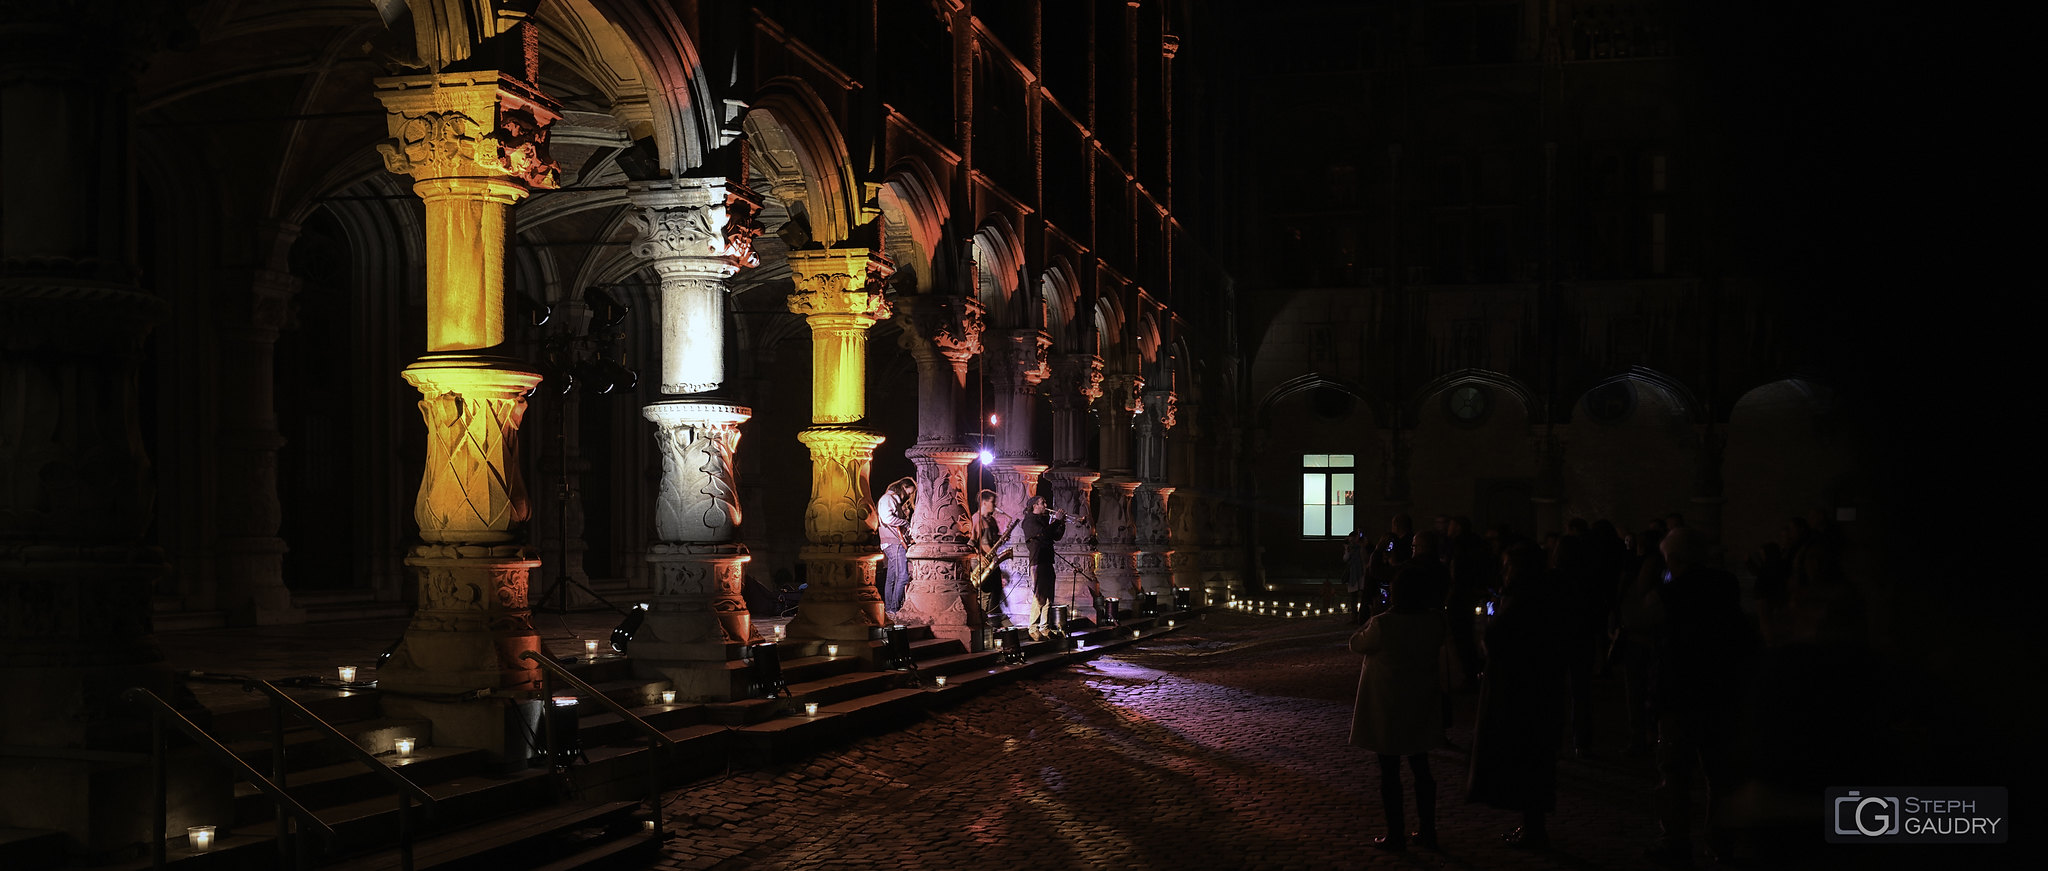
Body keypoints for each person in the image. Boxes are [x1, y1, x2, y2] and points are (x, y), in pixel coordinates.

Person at [1642, 528, 1752, 867]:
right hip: (1720, 690)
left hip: (1680, 692)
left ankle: (1675, 841)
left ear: (1674, 558)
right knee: (1719, 773)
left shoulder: (1670, 593)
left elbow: (1642, 618)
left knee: (1675, 773)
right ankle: (1721, 842)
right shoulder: (1726, 586)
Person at [1467, 542, 1569, 848]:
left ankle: (1534, 828)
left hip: (1522, 692)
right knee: (1534, 758)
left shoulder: (1524, 598)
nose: (1503, 571)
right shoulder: (1546, 595)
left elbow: (1498, 639)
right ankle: (1532, 824)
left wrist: (1487, 634)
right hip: (1539, 689)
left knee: (1527, 757)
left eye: (1508, 565)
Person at [1348, 573, 1447, 852]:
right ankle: (1428, 830)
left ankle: (1396, 833)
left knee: (1389, 771)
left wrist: (1373, 616)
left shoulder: (1384, 623)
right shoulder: (1434, 621)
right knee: (1422, 768)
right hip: (1420, 703)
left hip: (1389, 706)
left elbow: (1357, 643)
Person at [1019, 495, 1068, 636]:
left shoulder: (1042, 520)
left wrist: (1061, 523)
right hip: (1038, 560)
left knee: (1048, 597)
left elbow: (1055, 536)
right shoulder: (1029, 521)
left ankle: (1044, 626)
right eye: (1042, 502)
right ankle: (1033, 628)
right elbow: (1043, 534)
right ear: (1035, 505)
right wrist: (1056, 521)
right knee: (1039, 595)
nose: (1045, 504)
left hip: (1047, 560)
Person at [968, 490, 1011, 623]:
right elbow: (970, 542)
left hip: (992, 559)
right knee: (985, 592)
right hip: (981, 561)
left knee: (997, 589)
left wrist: (1002, 538)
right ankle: (985, 620)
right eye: (992, 502)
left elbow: (992, 539)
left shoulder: (991, 520)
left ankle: (993, 620)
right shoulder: (976, 519)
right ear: (984, 502)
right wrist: (979, 556)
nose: (995, 505)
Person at [876, 477, 916, 613]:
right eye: (909, 493)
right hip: (894, 543)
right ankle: (894, 609)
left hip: (890, 542)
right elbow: (887, 518)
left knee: (892, 578)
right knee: (903, 576)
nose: (909, 496)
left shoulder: (889, 500)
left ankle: (890, 609)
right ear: (903, 488)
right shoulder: (888, 499)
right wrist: (905, 523)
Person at [1342, 530, 1370, 624]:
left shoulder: (1362, 546)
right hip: (1353, 574)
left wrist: (1362, 545)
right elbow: (1345, 558)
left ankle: (1363, 616)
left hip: (1361, 574)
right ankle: (1354, 617)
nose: (1352, 541)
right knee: (1353, 597)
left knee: (1363, 596)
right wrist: (1347, 549)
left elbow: (1365, 558)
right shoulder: (1350, 548)